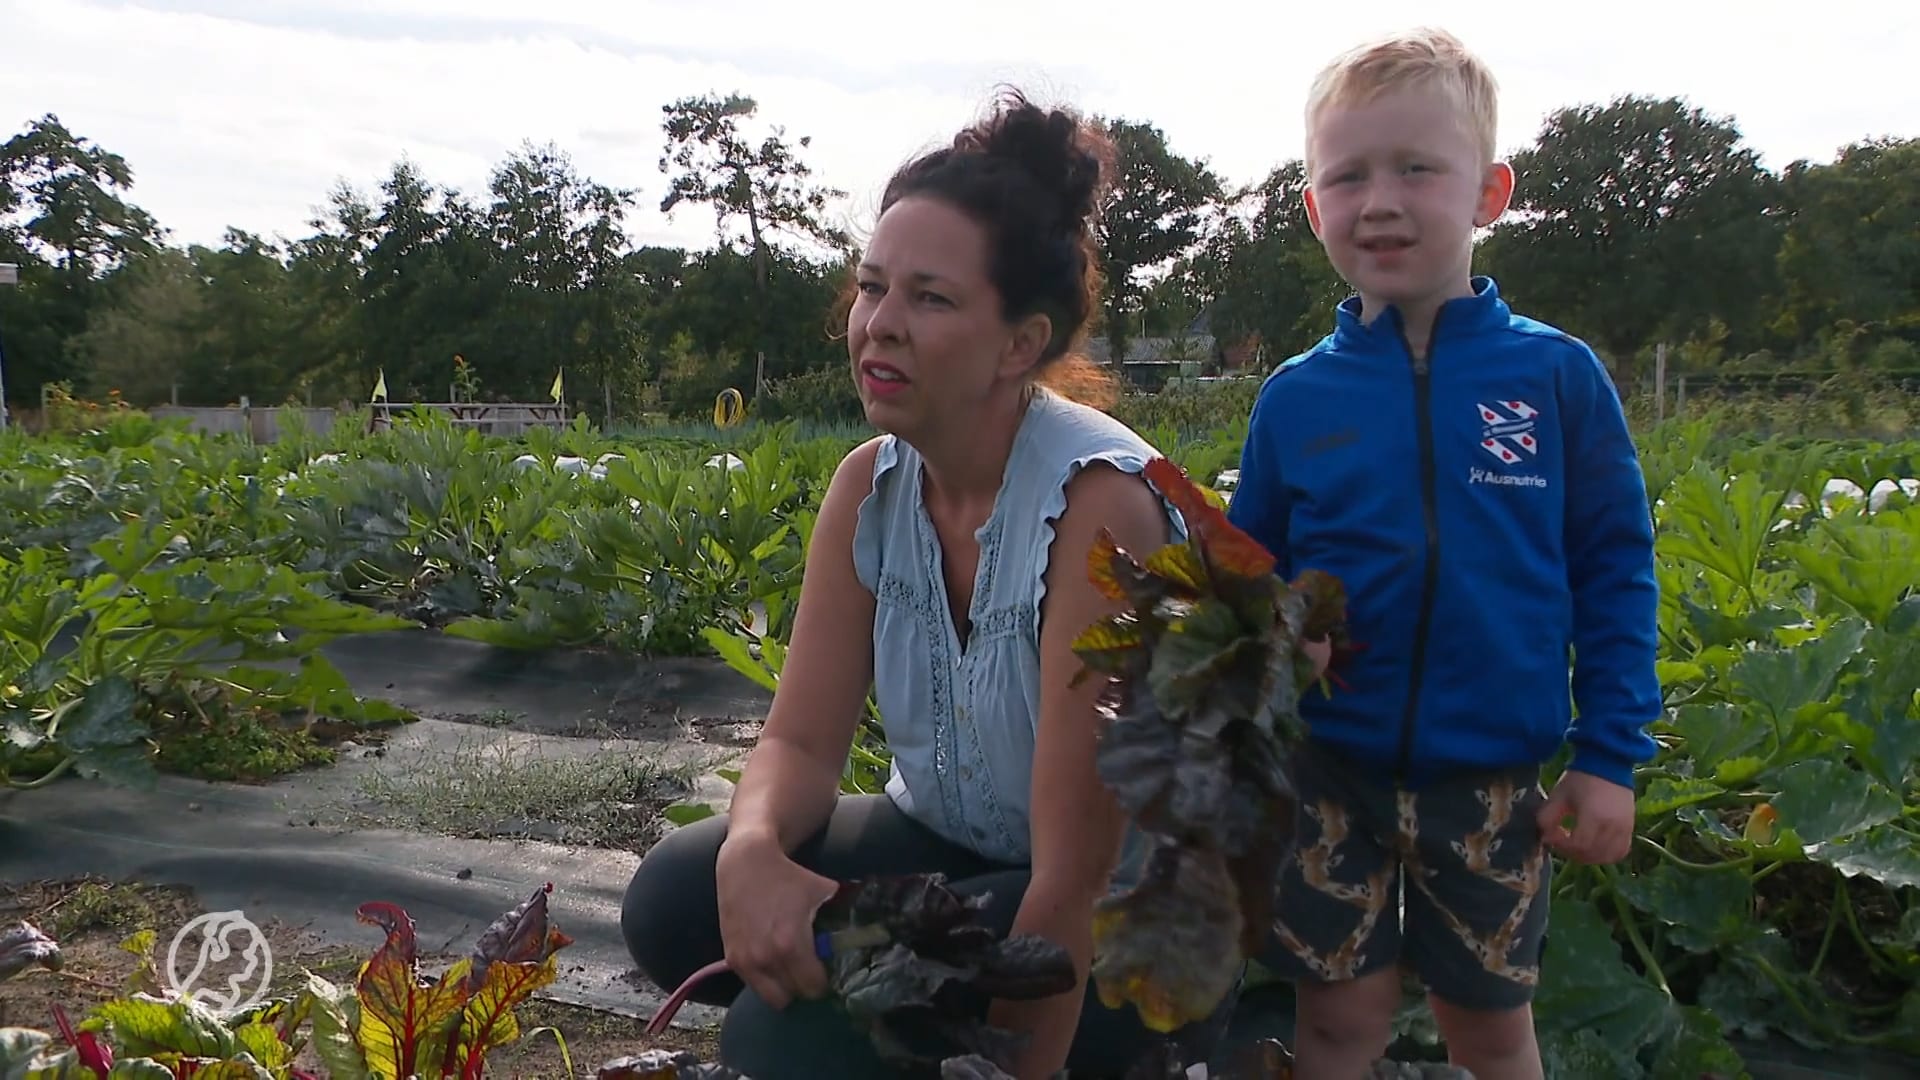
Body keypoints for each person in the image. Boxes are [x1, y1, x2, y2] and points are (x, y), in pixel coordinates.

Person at [621, 89, 1236, 1079]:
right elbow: (800, 740)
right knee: (675, 898)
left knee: (785, 1043)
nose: (880, 325)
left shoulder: (1096, 512)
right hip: (950, 841)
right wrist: (755, 853)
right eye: (872, 287)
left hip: (1120, 913)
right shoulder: (870, 485)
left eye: (931, 298)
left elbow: (1072, 881)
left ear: (1020, 345)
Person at [1225, 27, 1662, 1080]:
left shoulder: (1556, 379)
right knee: (1334, 1021)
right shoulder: (1295, 398)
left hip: (1495, 782)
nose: (1381, 200)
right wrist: (1276, 645)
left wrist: (1609, 757)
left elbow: (1615, 567)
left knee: (1491, 1028)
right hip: (1329, 775)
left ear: (1489, 191)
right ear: (1313, 206)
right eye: (1349, 175)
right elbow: (1252, 574)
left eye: (1418, 169)